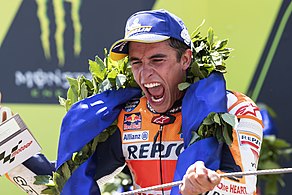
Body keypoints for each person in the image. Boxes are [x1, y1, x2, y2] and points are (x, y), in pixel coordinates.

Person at [4, 9, 263, 195]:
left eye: (157, 60)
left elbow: (242, 188)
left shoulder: (233, 110)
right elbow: (63, 185)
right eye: (136, 62)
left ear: (185, 59)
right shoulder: (127, 117)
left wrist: (196, 190)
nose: (145, 73)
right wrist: (4, 138)